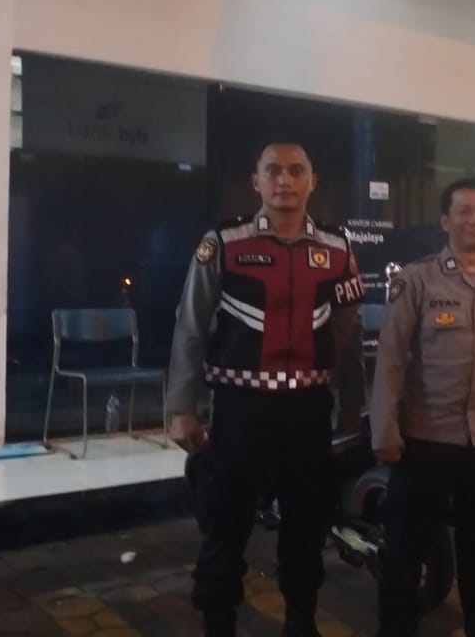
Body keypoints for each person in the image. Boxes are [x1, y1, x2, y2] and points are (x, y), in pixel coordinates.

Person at [166, 143, 365, 637]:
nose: (285, 180)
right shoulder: (223, 243)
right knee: (226, 524)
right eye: (273, 170)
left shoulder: (338, 249)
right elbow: (190, 326)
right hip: (240, 410)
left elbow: (348, 329)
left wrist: (352, 403)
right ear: (256, 181)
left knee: (306, 525)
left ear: (312, 182)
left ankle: (301, 621)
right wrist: (181, 407)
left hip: (308, 412)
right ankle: (219, 623)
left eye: (296, 171)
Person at [370, 177, 475, 637]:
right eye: (464, 211)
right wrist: (385, 431)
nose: (474, 220)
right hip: (424, 442)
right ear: (445, 220)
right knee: (405, 553)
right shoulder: (416, 279)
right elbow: (391, 360)